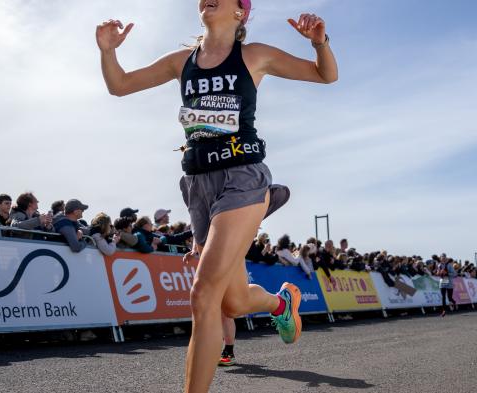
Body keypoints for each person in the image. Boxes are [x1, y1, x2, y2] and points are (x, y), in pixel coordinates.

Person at [97, 1, 337, 390]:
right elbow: (120, 85)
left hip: (242, 178)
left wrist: (320, 42)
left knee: (203, 294)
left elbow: (325, 75)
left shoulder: (255, 55)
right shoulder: (182, 61)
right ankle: (281, 303)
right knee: (233, 302)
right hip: (198, 185)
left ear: (240, 12)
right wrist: (108, 52)